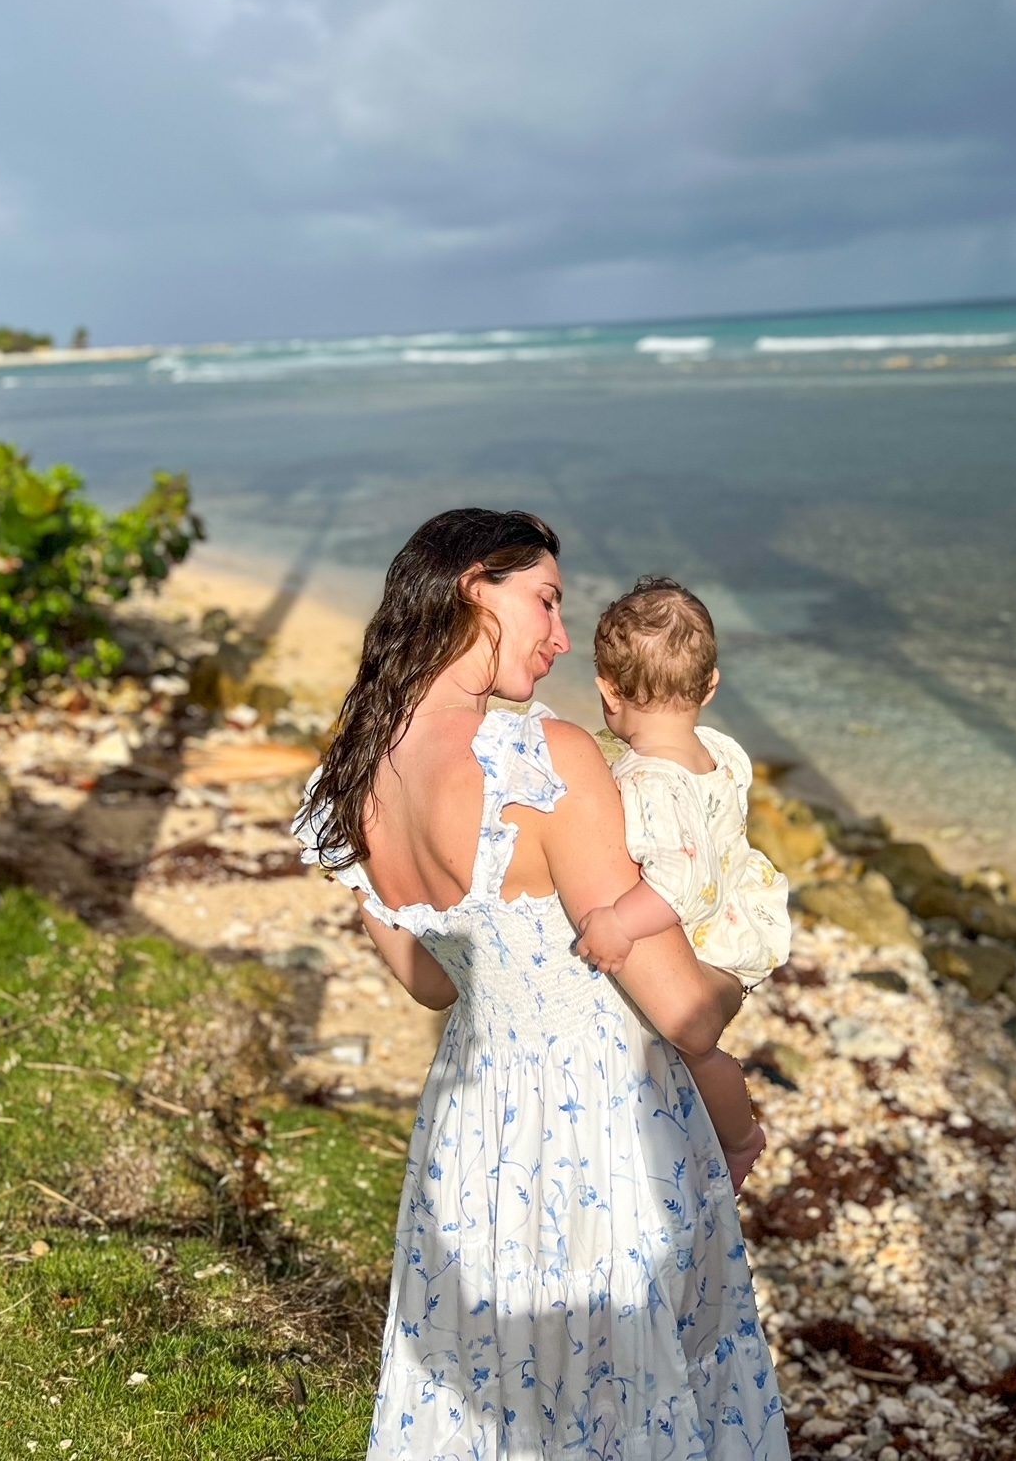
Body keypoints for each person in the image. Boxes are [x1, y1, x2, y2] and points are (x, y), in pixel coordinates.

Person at [292, 508, 788, 1461]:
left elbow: (431, 985)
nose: (562, 639)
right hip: (605, 1122)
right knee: (628, 1383)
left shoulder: (349, 780)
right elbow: (681, 1008)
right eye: (547, 602)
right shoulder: (544, 760)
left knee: (495, 1380)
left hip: (471, 1131)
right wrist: (739, 974)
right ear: (475, 586)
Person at [573, 577, 790, 1190]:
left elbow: (681, 881)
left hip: (710, 944)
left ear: (607, 691)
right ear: (711, 686)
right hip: (742, 921)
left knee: (698, 1049)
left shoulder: (649, 781)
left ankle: (741, 1138)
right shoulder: (717, 749)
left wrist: (619, 922)